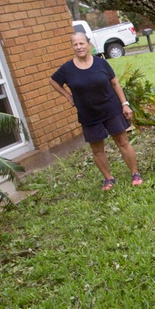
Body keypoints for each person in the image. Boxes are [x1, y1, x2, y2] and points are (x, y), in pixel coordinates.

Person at [49, 32, 142, 191]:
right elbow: (53, 81)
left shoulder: (101, 63)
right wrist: (68, 97)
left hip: (110, 108)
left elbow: (115, 84)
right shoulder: (67, 69)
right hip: (88, 114)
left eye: (81, 43)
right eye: (75, 44)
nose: (78, 47)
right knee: (97, 149)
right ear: (72, 47)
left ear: (88, 44)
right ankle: (108, 179)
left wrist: (124, 104)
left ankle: (135, 174)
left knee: (123, 142)